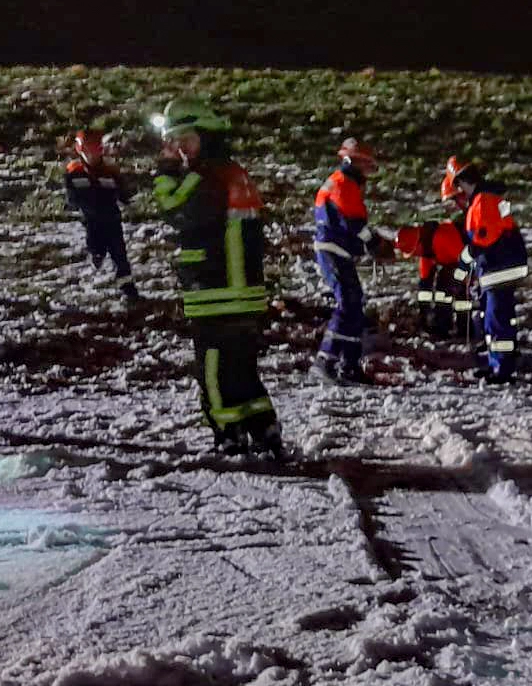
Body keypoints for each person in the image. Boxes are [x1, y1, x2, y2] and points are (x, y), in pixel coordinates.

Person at [150, 96, 281, 458]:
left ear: (205, 136)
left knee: (213, 373)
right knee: (242, 369)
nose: (179, 149)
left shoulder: (204, 175)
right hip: (245, 293)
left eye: (185, 140)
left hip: (214, 293)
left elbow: (175, 211)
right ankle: (265, 428)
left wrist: (163, 173)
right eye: (175, 142)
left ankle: (229, 434)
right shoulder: (235, 172)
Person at [310, 137, 388, 383]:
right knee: (347, 302)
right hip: (333, 247)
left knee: (354, 303)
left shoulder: (342, 182)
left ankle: (350, 365)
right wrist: (375, 244)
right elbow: (354, 223)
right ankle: (326, 359)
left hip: (337, 248)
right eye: (364, 164)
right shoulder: (344, 183)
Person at [450, 158, 528, 383]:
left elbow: (483, 238)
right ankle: (498, 363)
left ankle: (502, 369)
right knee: (494, 316)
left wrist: (465, 262)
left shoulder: (483, 201)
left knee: (497, 318)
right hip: (502, 264)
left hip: (498, 266)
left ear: (464, 182)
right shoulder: (490, 198)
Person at [64, 129, 139, 301]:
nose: (92, 153)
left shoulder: (110, 171)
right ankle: (96, 254)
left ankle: (128, 288)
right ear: (79, 149)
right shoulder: (73, 170)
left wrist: (129, 199)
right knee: (96, 245)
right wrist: (75, 205)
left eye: (95, 148)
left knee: (119, 254)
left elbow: (122, 193)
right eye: (87, 149)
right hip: (91, 219)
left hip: (112, 218)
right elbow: (71, 195)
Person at [392, 217, 467, 340]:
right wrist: (423, 313)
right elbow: (425, 282)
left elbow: (467, 261)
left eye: (415, 252)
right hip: (453, 264)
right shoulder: (426, 250)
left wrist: (462, 280)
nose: (416, 255)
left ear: (419, 243)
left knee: (451, 288)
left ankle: (464, 328)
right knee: (442, 288)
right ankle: (443, 327)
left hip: (467, 262)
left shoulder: (443, 237)